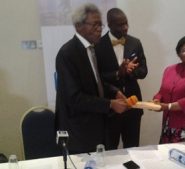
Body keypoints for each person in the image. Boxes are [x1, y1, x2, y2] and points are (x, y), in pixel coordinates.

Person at [55, 3, 128, 154]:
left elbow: (96, 81)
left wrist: (114, 91)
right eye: (94, 24)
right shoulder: (67, 54)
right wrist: (110, 104)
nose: (100, 29)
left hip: (97, 126)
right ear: (78, 26)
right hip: (79, 131)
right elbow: (74, 98)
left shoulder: (92, 48)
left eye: (100, 24)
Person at [96, 8, 148, 150]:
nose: (125, 27)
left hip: (133, 105)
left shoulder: (135, 42)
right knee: (109, 149)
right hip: (110, 107)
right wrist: (118, 73)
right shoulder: (98, 45)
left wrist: (130, 71)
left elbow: (144, 71)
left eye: (126, 23)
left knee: (133, 148)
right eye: (120, 25)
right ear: (109, 24)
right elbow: (97, 78)